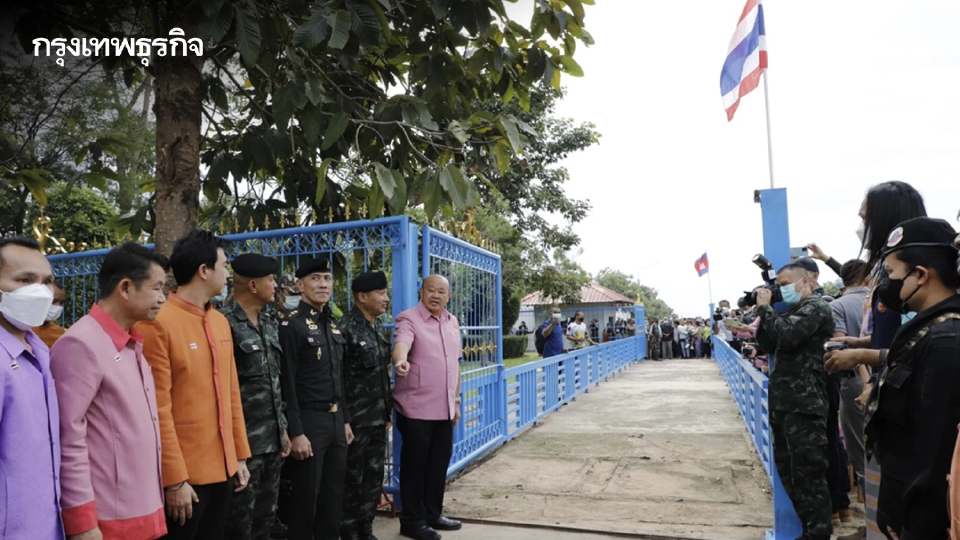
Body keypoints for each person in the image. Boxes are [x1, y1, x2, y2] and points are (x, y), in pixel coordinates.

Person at [820, 180, 928, 540]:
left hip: (908, 398)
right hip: (886, 392)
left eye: (864, 216)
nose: (859, 223)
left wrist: (861, 355)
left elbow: (918, 345)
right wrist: (858, 341)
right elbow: (891, 337)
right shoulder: (886, 270)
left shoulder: (912, 276)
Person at [137, 230, 252, 540]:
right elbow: (158, 408)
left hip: (223, 468)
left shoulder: (219, 321)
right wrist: (174, 480)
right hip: (185, 477)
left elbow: (231, 394)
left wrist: (239, 455)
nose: (228, 273)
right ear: (204, 270)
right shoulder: (158, 322)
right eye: (224, 265)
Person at [51, 242, 170, 540]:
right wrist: (82, 522)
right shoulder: (81, 344)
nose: (162, 298)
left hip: (143, 508)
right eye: (157, 288)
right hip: (108, 520)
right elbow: (68, 437)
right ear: (126, 287)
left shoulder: (132, 343)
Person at [854, 218, 960, 538]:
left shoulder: (946, 340)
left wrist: (914, 520)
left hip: (925, 520)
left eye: (891, 272)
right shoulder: (924, 330)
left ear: (921, 275)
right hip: (905, 502)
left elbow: (934, 450)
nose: (886, 283)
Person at [756, 263, 835, 539]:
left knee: (809, 476)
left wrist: (767, 309)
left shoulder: (816, 307)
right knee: (789, 472)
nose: (781, 289)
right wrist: (765, 311)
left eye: (785, 282)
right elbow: (769, 343)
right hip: (785, 402)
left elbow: (788, 336)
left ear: (806, 280)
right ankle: (808, 531)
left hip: (805, 405)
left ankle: (819, 534)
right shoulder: (793, 311)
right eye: (778, 284)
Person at [278, 257, 349, 540]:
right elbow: (287, 382)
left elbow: (338, 378)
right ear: (300, 285)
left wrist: (344, 419)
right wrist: (296, 432)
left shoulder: (332, 324)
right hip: (309, 422)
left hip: (335, 422)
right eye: (315, 278)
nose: (323, 284)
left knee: (333, 499)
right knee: (306, 500)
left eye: (327, 279)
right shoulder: (291, 326)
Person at [220, 254, 291, 540]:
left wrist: (282, 428)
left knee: (265, 520)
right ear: (252, 285)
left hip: (271, 442)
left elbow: (275, 382)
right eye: (271, 280)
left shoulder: (269, 321)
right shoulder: (222, 323)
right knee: (237, 525)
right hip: (242, 446)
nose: (276, 285)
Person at [0, 237, 64, 539]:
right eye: (24, 280)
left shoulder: (41, 351)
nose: (40, 291)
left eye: (46, 282)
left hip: (49, 522)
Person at [391, 275, 463, 540]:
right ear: (421, 292)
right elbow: (402, 344)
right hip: (416, 407)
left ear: (449, 296)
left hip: (444, 408)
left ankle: (432, 514)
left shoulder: (452, 321)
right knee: (415, 466)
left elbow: (455, 365)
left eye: (441, 291)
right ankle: (411, 520)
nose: (436, 295)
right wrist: (400, 361)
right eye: (431, 290)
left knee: (437, 465)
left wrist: (455, 402)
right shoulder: (408, 318)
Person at [339, 271, 393, 540]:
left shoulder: (375, 327)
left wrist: (386, 412)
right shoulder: (345, 329)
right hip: (355, 422)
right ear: (362, 297)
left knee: (373, 477)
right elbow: (335, 379)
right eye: (381, 293)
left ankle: (366, 528)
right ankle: (349, 531)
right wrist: (345, 419)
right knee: (352, 479)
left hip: (375, 418)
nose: (386, 298)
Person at [829, 260, 871, 508]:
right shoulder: (889, 299)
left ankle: (872, 523)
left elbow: (839, 346)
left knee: (860, 452)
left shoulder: (838, 305)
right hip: (894, 377)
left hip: (856, 380)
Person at [34, 282, 66, 348]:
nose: (58, 306)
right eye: (53, 301)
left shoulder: (61, 333)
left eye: (61, 302)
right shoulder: (20, 331)